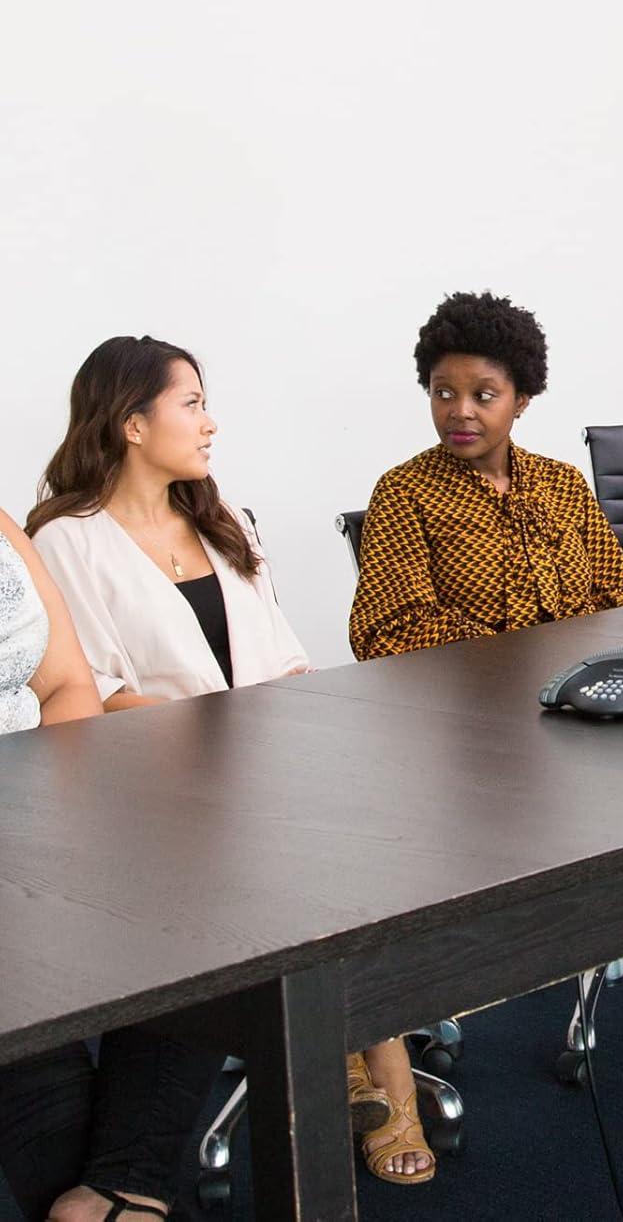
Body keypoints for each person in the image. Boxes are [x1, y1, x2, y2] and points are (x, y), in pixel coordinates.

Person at [25, 336, 432, 1187]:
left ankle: (358, 1053)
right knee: (313, 858)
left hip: (262, 770)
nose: (211, 423)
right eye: (193, 404)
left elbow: (284, 658)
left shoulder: (224, 521)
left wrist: (296, 726)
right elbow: (89, 698)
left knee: (366, 833)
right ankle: (370, 1066)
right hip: (150, 799)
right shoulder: (66, 541)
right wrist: (239, 733)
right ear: (132, 423)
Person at [0, 504, 217, 1222]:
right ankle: (130, 1194)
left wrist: (47, 817)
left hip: (37, 801)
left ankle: (118, 1192)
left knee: (204, 894)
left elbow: (67, 683)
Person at [349, 290, 623, 662]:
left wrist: (571, 651)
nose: (460, 411)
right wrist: (517, 654)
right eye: (443, 393)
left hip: (581, 677)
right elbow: (385, 633)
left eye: (483, 396)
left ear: (520, 400)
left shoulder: (563, 483)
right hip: (470, 690)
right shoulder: (405, 493)